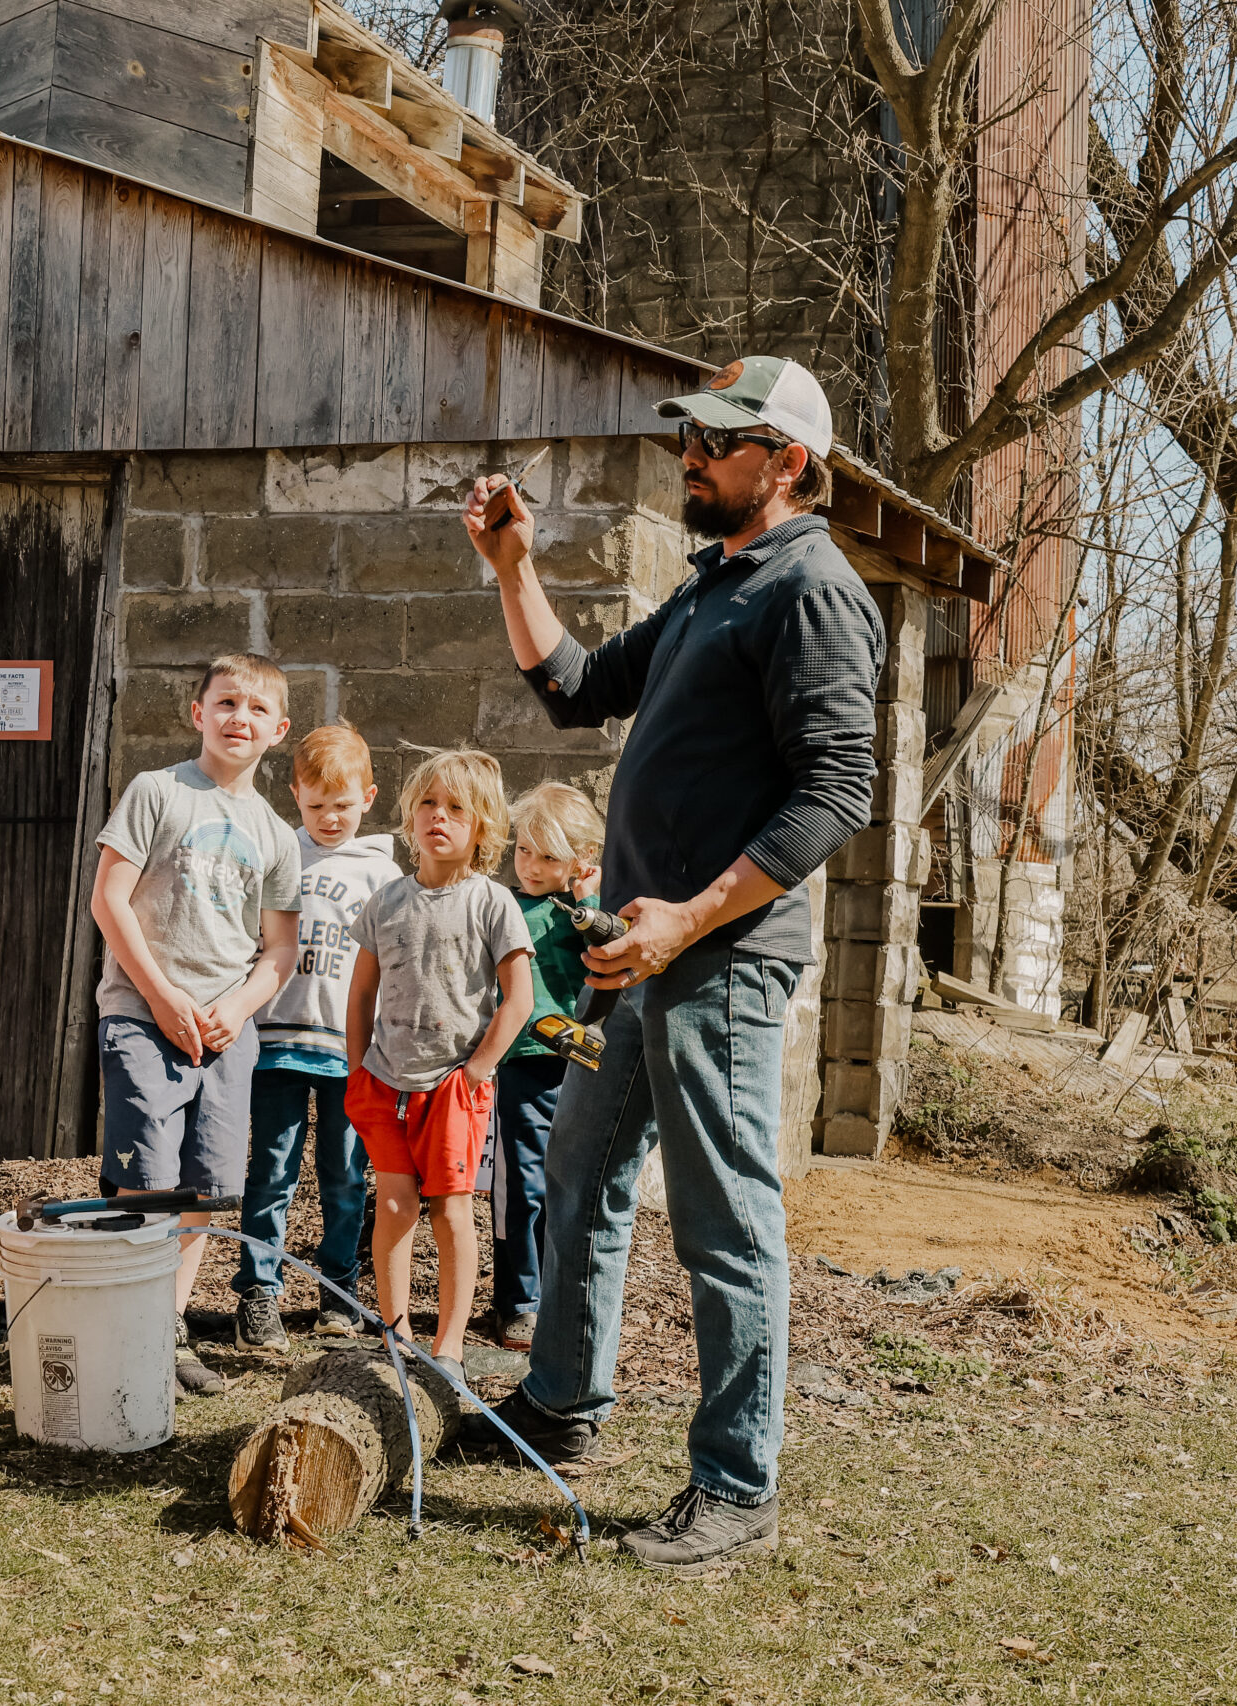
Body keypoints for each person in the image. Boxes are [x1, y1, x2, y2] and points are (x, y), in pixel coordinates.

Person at [461, 354, 883, 1574]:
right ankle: (558, 1403)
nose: (689, 457)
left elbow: (837, 791)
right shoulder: (717, 588)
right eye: (687, 438)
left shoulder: (809, 589)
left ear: (786, 461)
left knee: (724, 1226)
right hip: (634, 962)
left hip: (720, 963)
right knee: (578, 1182)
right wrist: (512, 566)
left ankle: (735, 1481)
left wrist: (688, 919)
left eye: (716, 440)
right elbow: (578, 689)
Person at [88, 655, 301, 1396]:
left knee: (203, 1190)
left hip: (223, 1032)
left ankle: (166, 1329)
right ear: (197, 712)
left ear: (279, 730)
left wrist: (235, 1011)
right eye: (226, 702)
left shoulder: (275, 833)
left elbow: (279, 950)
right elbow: (109, 902)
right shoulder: (158, 793)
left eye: (255, 709)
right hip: (144, 1015)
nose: (238, 717)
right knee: (146, 1181)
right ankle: (122, 1324)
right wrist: (165, 999)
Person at [344, 749, 533, 1383]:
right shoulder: (386, 901)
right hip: (385, 1079)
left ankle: (448, 1347)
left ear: (482, 828)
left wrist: (477, 1071)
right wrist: (357, 1067)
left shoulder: (492, 902)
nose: (439, 818)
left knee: (451, 1209)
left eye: (456, 809)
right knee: (394, 1205)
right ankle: (394, 1335)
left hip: (453, 1084)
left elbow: (520, 999)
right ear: (409, 815)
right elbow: (362, 992)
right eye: (428, 804)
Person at [232, 723, 400, 1351]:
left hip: (349, 1050)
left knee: (345, 1172)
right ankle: (259, 1291)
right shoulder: (280, 851)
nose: (331, 818)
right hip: (274, 1040)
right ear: (295, 796)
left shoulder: (382, 873)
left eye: (344, 805)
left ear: (369, 797)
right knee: (271, 1169)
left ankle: (339, 1289)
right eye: (316, 805)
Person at [484, 782, 606, 1353]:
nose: (529, 866)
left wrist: (588, 904)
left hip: (580, 1062)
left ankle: (564, 1296)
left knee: (571, 1189)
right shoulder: (503, 904)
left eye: (548, 856)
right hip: (523, 1063)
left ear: (581, 861)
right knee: (521, 1186)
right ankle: (518, 1301)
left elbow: (605, 961)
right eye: (523, 850)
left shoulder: (587, 913)